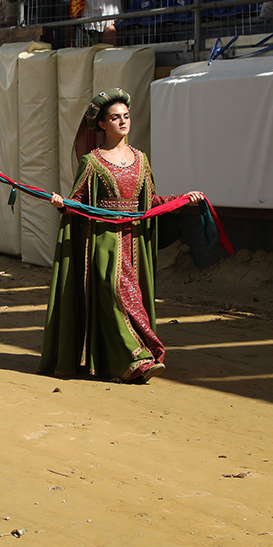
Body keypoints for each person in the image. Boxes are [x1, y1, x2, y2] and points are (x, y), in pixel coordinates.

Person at [39, 90, 204, 384]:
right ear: (101, 124)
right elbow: (77, 202)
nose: (123, 121)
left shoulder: (141, 159)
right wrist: (62, 203)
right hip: (102, 241)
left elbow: (151, 200)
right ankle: (137, 359)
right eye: (115, 117)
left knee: (131, 297)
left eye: (126, 116)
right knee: (113, 292)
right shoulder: (91, 162)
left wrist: (182, 199)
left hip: (133, 241)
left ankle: (128, 358)